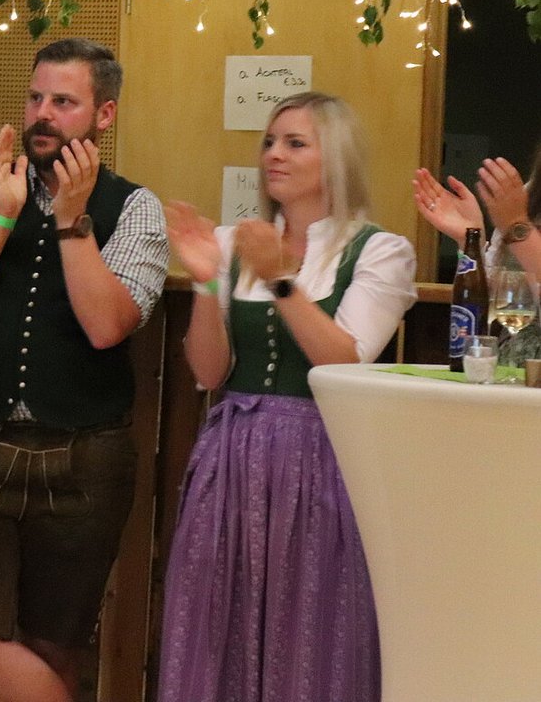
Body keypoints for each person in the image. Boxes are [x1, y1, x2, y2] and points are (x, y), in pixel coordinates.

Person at [0, 38, 167, 702]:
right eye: (35, 98)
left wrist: (73, 222)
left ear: (104, 115)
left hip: (85, 457)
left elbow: (107, 324)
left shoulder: (135, 207)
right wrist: (2, 213)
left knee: (55, 649)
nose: (43, 114)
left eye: (64, 102)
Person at [158, 92, 416, 702]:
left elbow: (344, 361)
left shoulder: (379, 250)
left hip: (326, 459)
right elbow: (209, 372)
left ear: (336, 159)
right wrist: (204, 282)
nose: (273, 154)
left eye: (295, 143)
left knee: (314, 632)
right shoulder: (233, 242)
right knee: (214, 622)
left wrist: (279, 278)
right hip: (233, 454)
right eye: (270, 142)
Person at [414, 148, 541, 283]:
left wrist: (516, 225)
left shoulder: (517, 210)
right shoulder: (528, 194)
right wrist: (471, 242)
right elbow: (489, 288)